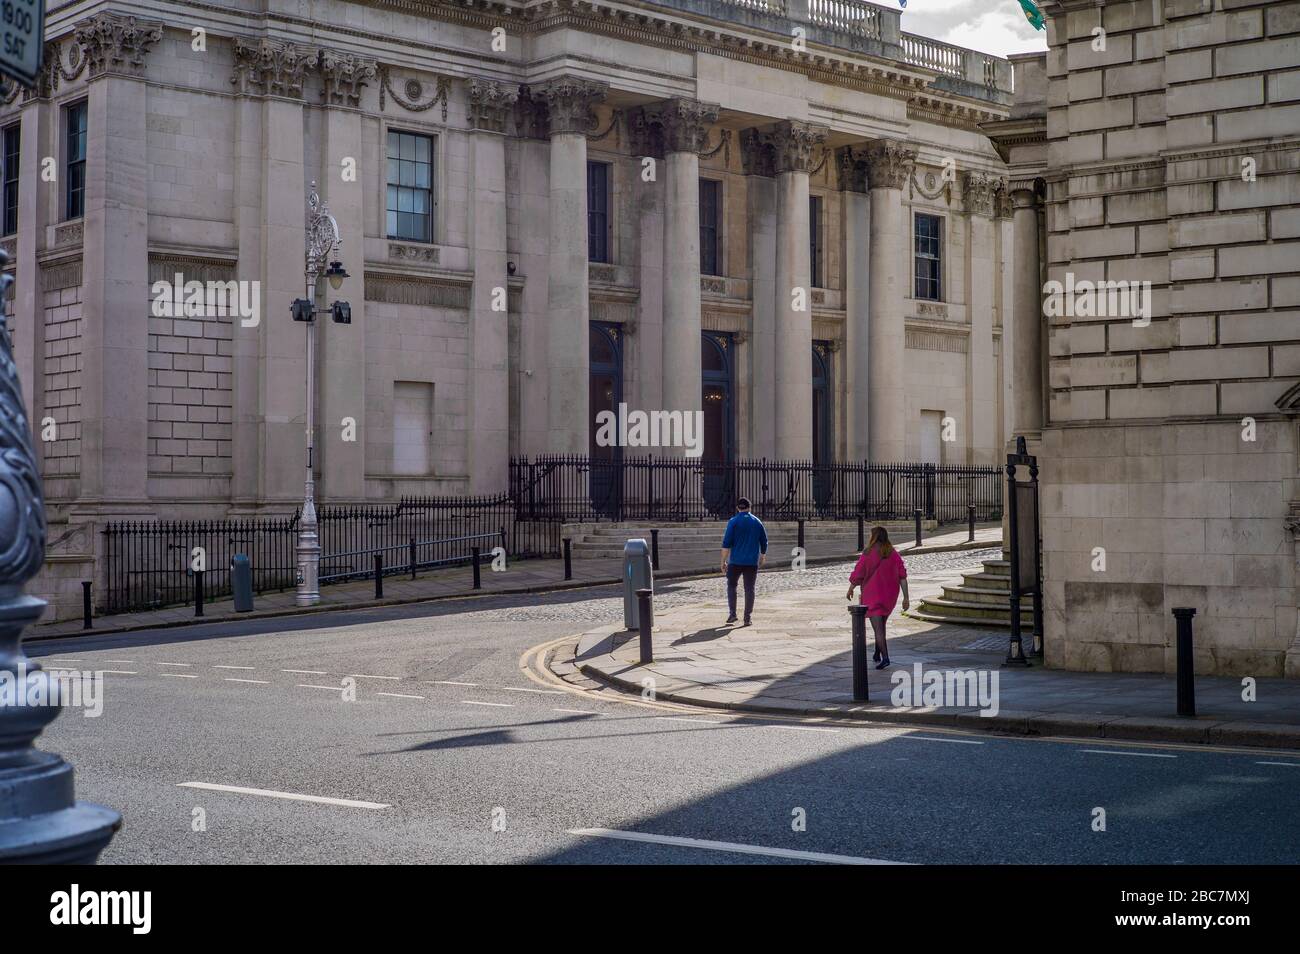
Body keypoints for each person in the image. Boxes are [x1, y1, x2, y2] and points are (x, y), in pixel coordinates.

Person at [846, 526, 909, 669]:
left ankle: (885, 657)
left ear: (873, 537)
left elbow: (858, 573)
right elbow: (902, 576)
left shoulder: (868, 553)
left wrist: (851, 588)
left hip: (872, 595)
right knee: (881, 625)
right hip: (889, 596)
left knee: (878, 629)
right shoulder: (892, 553)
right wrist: (906, 597)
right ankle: (876, 653)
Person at [720, 497, 767, 626]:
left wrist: (723, 561)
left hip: (735, 561)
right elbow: (764, 541)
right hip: (751, 562)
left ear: (737, 508)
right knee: (749, 589)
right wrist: (762, 555)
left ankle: (732, 614)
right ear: (750, 508)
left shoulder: (733, 521)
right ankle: (747, 618)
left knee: (731, 586)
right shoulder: (757, 522)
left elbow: (726, 543)